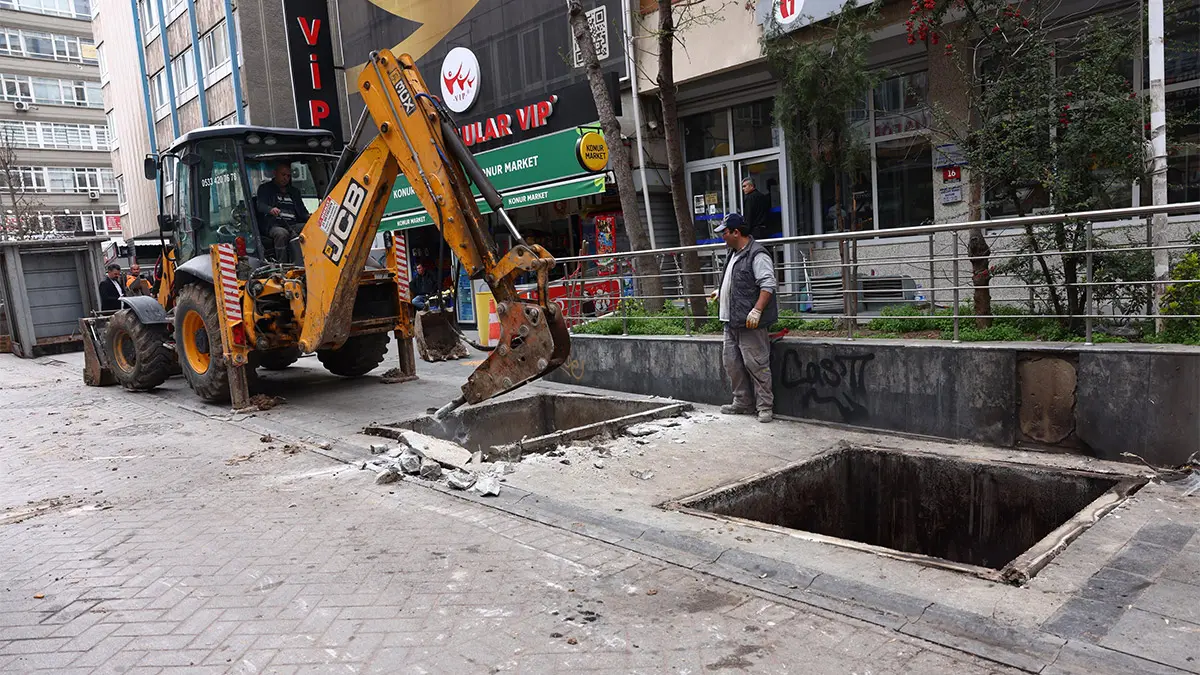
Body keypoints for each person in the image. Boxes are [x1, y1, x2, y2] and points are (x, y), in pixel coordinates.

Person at [712, 213, 777, 423]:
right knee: (732, 364)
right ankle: (742, 402)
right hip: (731, 321)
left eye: (725, 233)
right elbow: (737, 280)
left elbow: (767, 285)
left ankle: (765, 406)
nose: (723, 236)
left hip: (749, 322)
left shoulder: (757, 254)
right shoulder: (734, 253)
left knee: (757, 364)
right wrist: (721, 291)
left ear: (736, 232)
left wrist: (757, 310)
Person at [255, 161, 309, 262]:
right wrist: (270, 209)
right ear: (275, 173)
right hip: (274, 225)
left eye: (288, 176)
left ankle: (307, 260)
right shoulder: (265, 188)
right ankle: (283, 264)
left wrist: (311, 217)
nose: (286, 178)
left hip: (292, 224)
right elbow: (260, 205)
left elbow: (302, 211)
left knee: (310, 228)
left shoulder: (294, 192)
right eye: (283, 175)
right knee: (281, 234)